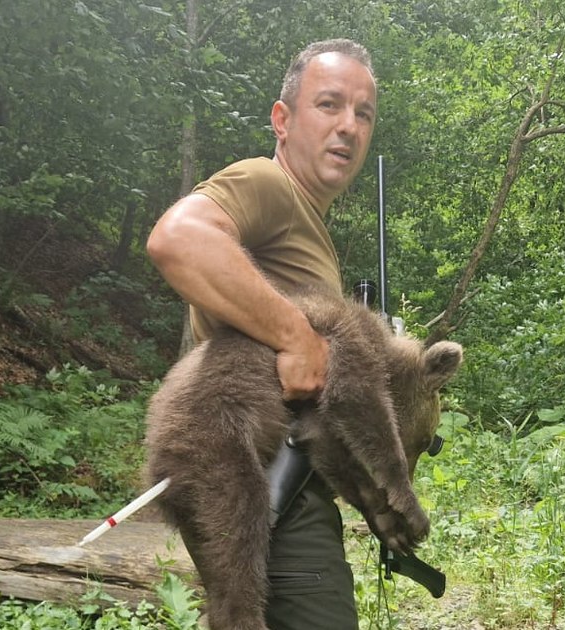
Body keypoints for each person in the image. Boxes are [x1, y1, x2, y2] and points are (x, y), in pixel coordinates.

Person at [146, 39, 377, 630]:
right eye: (328, 105)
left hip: (281, 479)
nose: (348, 126)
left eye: (363, 112)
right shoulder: (267, 183)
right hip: (266, 480)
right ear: (282, 119)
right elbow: (178, 238)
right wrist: (299, 338)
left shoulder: (308, 222)